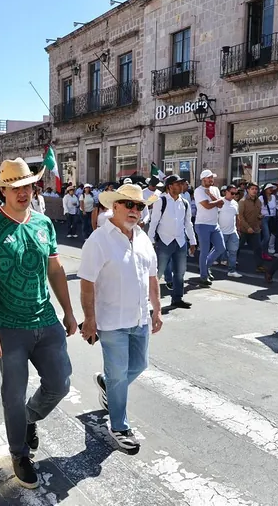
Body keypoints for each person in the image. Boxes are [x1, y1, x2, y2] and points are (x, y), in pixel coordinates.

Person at [0, 158, 76, 489]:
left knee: (60, 383)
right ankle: (19, 453)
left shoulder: (43, 223)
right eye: (15, 187)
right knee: (13, 393)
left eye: (27, 186)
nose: (22, 192)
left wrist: (68, 311)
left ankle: (30, 418)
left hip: (46, 319)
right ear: (3, 190)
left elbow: (55, 270)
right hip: (8, 326)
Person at [78, 183, 162, 452]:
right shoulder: (99, 240)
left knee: (139, 365)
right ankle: (119, 426)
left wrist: (157, 309)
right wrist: (89, 319)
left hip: (140, 318)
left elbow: (152, 277)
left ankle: (107, 384)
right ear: (114, 206)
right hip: (112, 321)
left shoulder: (142, 237)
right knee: (118, 373)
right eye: (129, 204)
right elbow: (87, 283)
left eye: (139, 206)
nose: (135, 210)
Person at [148, 174, 197, 309]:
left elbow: (188, 224)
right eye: (178, 184)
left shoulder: (184, 203)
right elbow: (154, 222)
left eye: (182, 184)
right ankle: (146, 299)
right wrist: (150, 240)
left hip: (180, 241)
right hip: (164, 241)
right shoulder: (161, 201)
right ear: (170, 186)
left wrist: (192, 241)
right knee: (157, 272)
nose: (181, 186)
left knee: (180, 273)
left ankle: (177, 298)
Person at [193, 170, 226, 286]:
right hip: (202, 224)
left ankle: (205, 267)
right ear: (203, 179)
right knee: (204, 251)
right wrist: (218, 201)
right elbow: (207, 205)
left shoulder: (215, 189)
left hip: (214, 224)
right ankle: (203, 276)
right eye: (209, 178)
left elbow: (221, 204)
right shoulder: (198, 191)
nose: (212, 179)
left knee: (221, 248)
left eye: (212, 177)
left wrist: (212, 196)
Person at [237, 182, 266, 273]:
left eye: (256, 189)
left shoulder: (258, 201)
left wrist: (260, 217)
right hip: (244, 229)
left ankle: (259, 266)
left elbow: (258, 213)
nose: (254, 191)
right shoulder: (242, 201)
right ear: (248, 190)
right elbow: (240, 216)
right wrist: (247, 227)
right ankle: (232, 262)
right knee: (238, 247)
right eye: (252, 189)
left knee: (258, 248)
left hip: (255, 229)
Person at [219, 184, 241, 278]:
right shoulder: (220, 202)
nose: (234, 195)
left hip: (232, 232)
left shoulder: (235, 203)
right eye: (232, 193)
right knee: (216, 251)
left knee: (233, 252)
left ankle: (232, 270)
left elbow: (237, 217)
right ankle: (205, 268)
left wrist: (238, 229)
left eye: (235, 193)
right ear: (226, 192)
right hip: (221, 232)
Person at [259, 183, 278, 260]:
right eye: (269, 188)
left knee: (273, 235)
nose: (271, 189)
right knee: (267, 237)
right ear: (265, 190)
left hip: (272, 218)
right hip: (264, 218)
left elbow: (275, 208)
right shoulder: (261, 198)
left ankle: (264, 252)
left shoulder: (273, 197)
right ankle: (261, 251)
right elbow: (257, 208)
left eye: (271, 188)